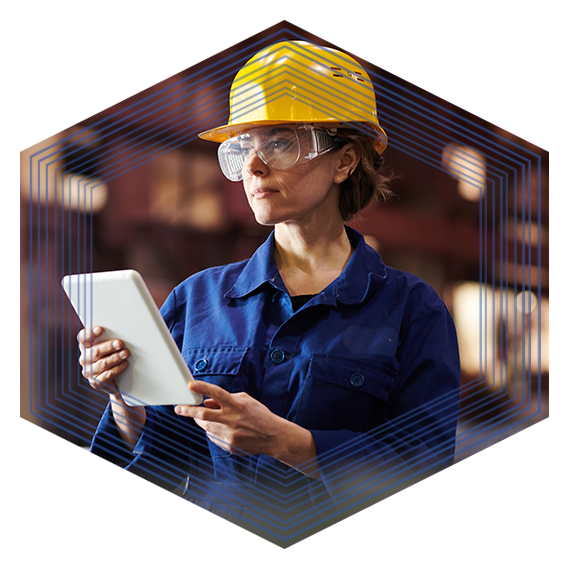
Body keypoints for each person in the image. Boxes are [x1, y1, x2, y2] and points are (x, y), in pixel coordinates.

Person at [79, 40, 461, 540]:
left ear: (345, 161)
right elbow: (166, 467)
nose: (254, 167)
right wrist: (124, 401)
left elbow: (424, 476)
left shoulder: (413, 311)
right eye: (242, 148)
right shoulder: (196, 300)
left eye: (280, 142)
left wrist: (295, 445)